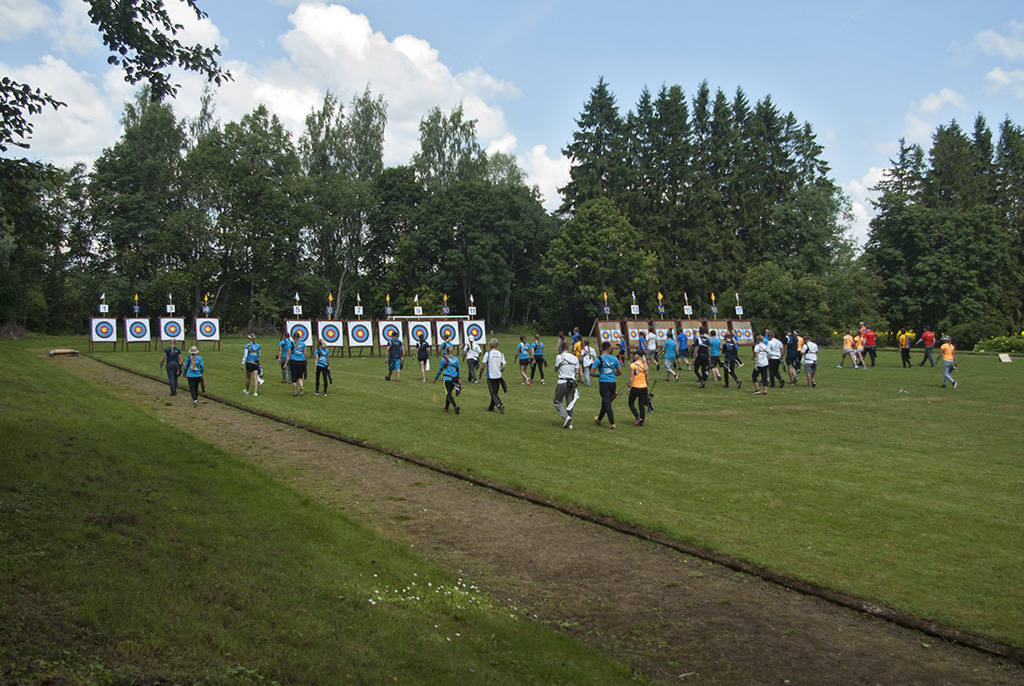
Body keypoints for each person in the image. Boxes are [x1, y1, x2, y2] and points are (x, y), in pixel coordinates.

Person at [592, 341, 622, 429]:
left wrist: (599, 375)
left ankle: (612, 423)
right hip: (613, 383)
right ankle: (599, 419)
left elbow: (591, 372)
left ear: (601, 348)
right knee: (605, 402)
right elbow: (620, 372)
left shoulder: (598, 359)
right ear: (609, 349)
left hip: (604, 383)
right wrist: (612, 375)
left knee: (607, 403)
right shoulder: (614, 359)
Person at [553, 343, 580, 429]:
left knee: (557, 401)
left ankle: (566, 417)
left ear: (561, 348)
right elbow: (577, 370)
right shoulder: (575, 358)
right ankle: (570, 424)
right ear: (568, 348)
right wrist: (572, 376)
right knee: (570, 404)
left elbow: (555, 369)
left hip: (562, 381)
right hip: (572, 382)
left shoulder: (559, 357)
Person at [483, 338, 507, 413]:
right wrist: (501, 370)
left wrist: (480, 374)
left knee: (493, 393)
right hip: (498, 376)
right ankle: (491, 407)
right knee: (495, 392)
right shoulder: (501, 354)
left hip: (491, 376)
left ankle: (499, 405)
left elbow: (483, 365)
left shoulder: (488, 354)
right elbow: (504, 365)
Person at [627, 351, 649, 426]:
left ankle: (637, 417)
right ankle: (642, 422)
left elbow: (631, 377)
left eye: (634, 354)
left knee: (630, 403)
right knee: (641, 405)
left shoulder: (633, 365)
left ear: (638, 356)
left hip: (636, 386)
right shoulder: (645, 365)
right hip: (644, 387)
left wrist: (629, 387)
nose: (633, 356)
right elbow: (647, 378)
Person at [284, 330, 308, 396]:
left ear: (294, 337)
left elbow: (288, 354)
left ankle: (295, 392)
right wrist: (306, 361)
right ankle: (301, 386)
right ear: (299, 337)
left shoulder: (290, 344)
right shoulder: (303, 344)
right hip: (302, 362)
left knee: (294, 378)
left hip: (293, 362)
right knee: (300, 376)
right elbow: (305, 354)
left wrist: (285, 363)